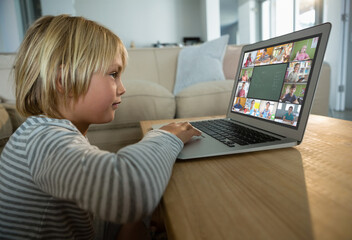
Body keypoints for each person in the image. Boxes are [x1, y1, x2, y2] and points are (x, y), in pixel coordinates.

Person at [0, 15, 201, 240]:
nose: (122, 88)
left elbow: (90, 220)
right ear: (64, 80)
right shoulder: (43, 139)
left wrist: (140, 221)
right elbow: (129, 192)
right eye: (113, 74)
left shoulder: (51, 133)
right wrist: (165, 136)